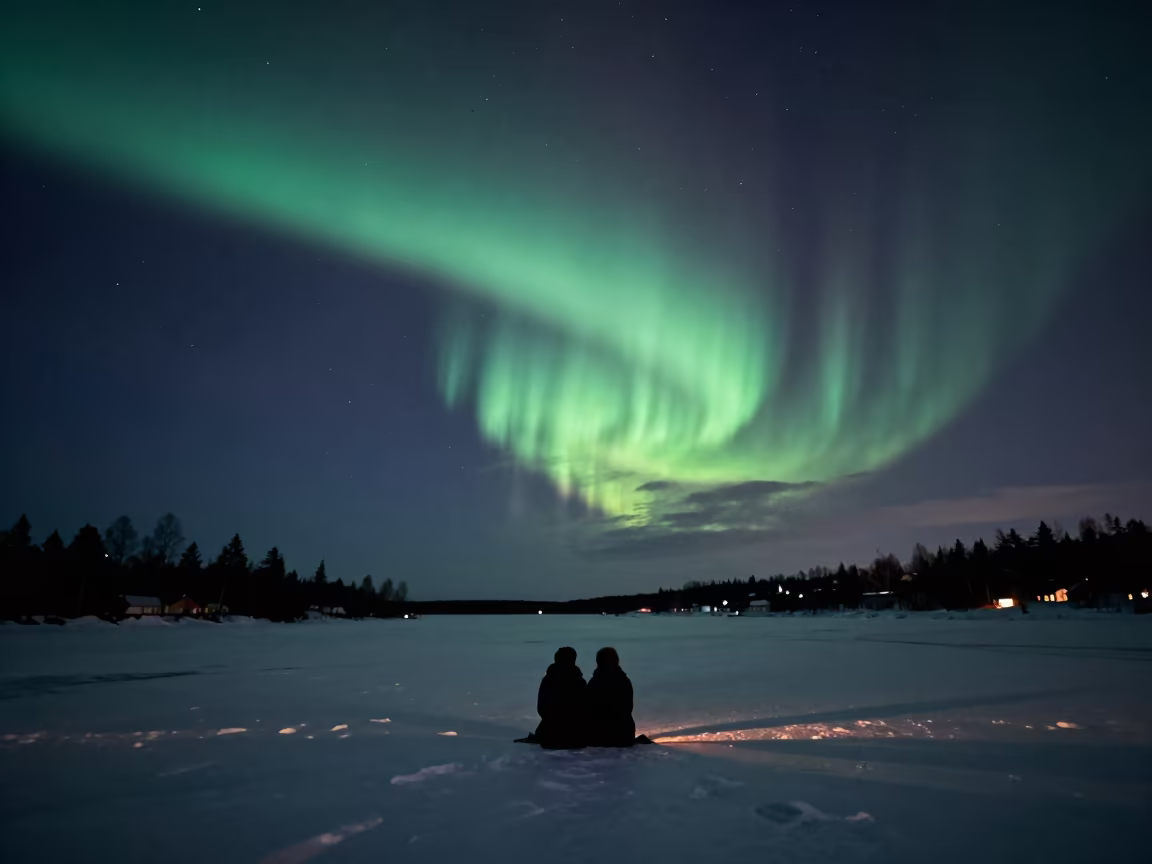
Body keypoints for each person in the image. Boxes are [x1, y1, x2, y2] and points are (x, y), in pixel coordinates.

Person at [534, 646, 587, 749]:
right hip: (576, 738)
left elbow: (541, 708)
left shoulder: (548, 680)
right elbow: (586, 709)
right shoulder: (580, 681)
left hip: (550, 736)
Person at [586, 646, 636, 747]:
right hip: (623, 734)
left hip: (598, 735)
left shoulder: (594, 682)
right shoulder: (624, 680)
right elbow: (628, 707)